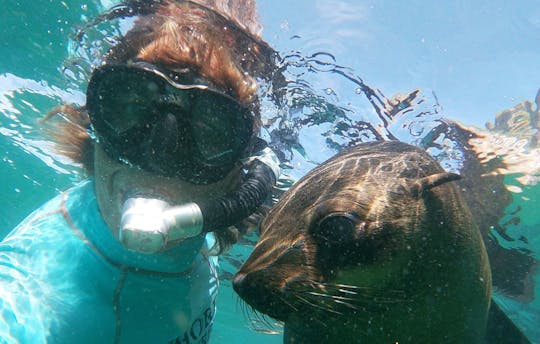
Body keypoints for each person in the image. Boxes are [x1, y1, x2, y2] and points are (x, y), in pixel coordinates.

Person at [0, 0, 280, 343]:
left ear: (241, 170)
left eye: (211, 129)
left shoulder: (199, 237)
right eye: (130, 106)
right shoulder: (27, 293)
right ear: (94, 121)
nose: (160, 154)